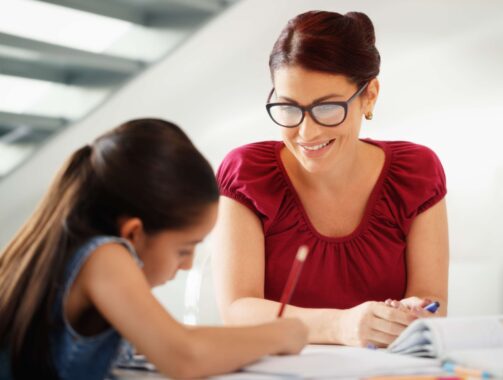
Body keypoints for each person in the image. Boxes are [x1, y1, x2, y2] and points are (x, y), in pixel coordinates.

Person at [0, 119, 307, 380]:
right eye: (185, 249)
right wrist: (280, 334)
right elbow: (183, 354)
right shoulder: (103, 256)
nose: (187, 266)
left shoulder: (68, 250)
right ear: (133, 233)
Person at [213, 10, 449, 348]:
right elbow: (237, 310)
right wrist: (340, 325)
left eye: (326, 108)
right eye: (288, 107)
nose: (306, 132)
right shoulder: (247, 173)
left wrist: (413, 314)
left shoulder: (417, 172)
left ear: (370, 95)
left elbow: (431, 302)